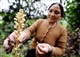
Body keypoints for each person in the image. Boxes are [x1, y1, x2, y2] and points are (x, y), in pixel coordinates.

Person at [3, 3, 67, 57]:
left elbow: (61, 50)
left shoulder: (62, 30)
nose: (52, 14)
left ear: (60, 16)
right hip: (31, 53)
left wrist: (50, 48)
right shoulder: (40, 22)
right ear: (48, 12)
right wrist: (22, 35)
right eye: (50, 11)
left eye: (56, 12)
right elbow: (29, 31)